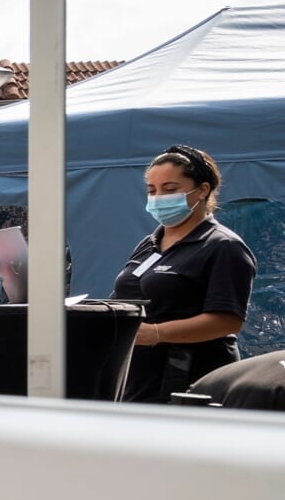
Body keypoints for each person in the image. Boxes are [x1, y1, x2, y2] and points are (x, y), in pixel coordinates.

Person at [109, 144, 255, 404]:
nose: (158, 198)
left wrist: (156, 333)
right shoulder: (149, 243)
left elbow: (227, 320)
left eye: (170, 189)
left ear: (202, 190)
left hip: (189, 382)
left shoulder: (222, 246)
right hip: (138, 381)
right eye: (152, 190)